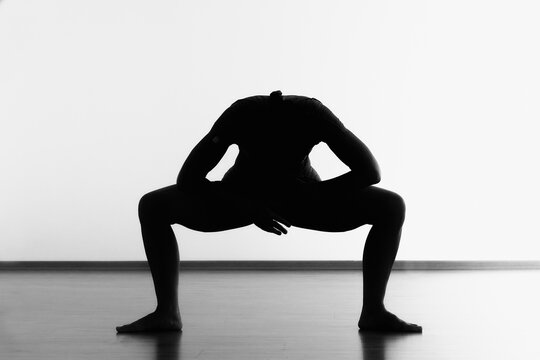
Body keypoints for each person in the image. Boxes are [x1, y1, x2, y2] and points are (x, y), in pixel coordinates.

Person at [116, 90, 422, 333]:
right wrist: (248, 208)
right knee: (152, 206)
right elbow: (189, 178)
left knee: (392, 206)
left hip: (302, 198)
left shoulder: (312, 113)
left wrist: (313, 193)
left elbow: (370, 171)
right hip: (242, 197)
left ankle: (374, 312)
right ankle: (167, 313)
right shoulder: (242, 113)